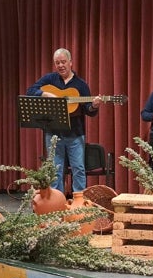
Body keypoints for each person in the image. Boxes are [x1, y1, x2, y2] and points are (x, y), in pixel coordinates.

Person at [27, 48, 102, 194]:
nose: (60, 65)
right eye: (57, 63)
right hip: (53, 133)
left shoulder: (81, 84)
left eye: (63, 62)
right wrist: (45, 94)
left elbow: (89, 111)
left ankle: (79, 200)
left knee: (78, 168)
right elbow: (30, 90)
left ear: (70, 63)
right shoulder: (50, 79)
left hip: (75, 134)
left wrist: (93, 106)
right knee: (55, 170)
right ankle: (57, 200)